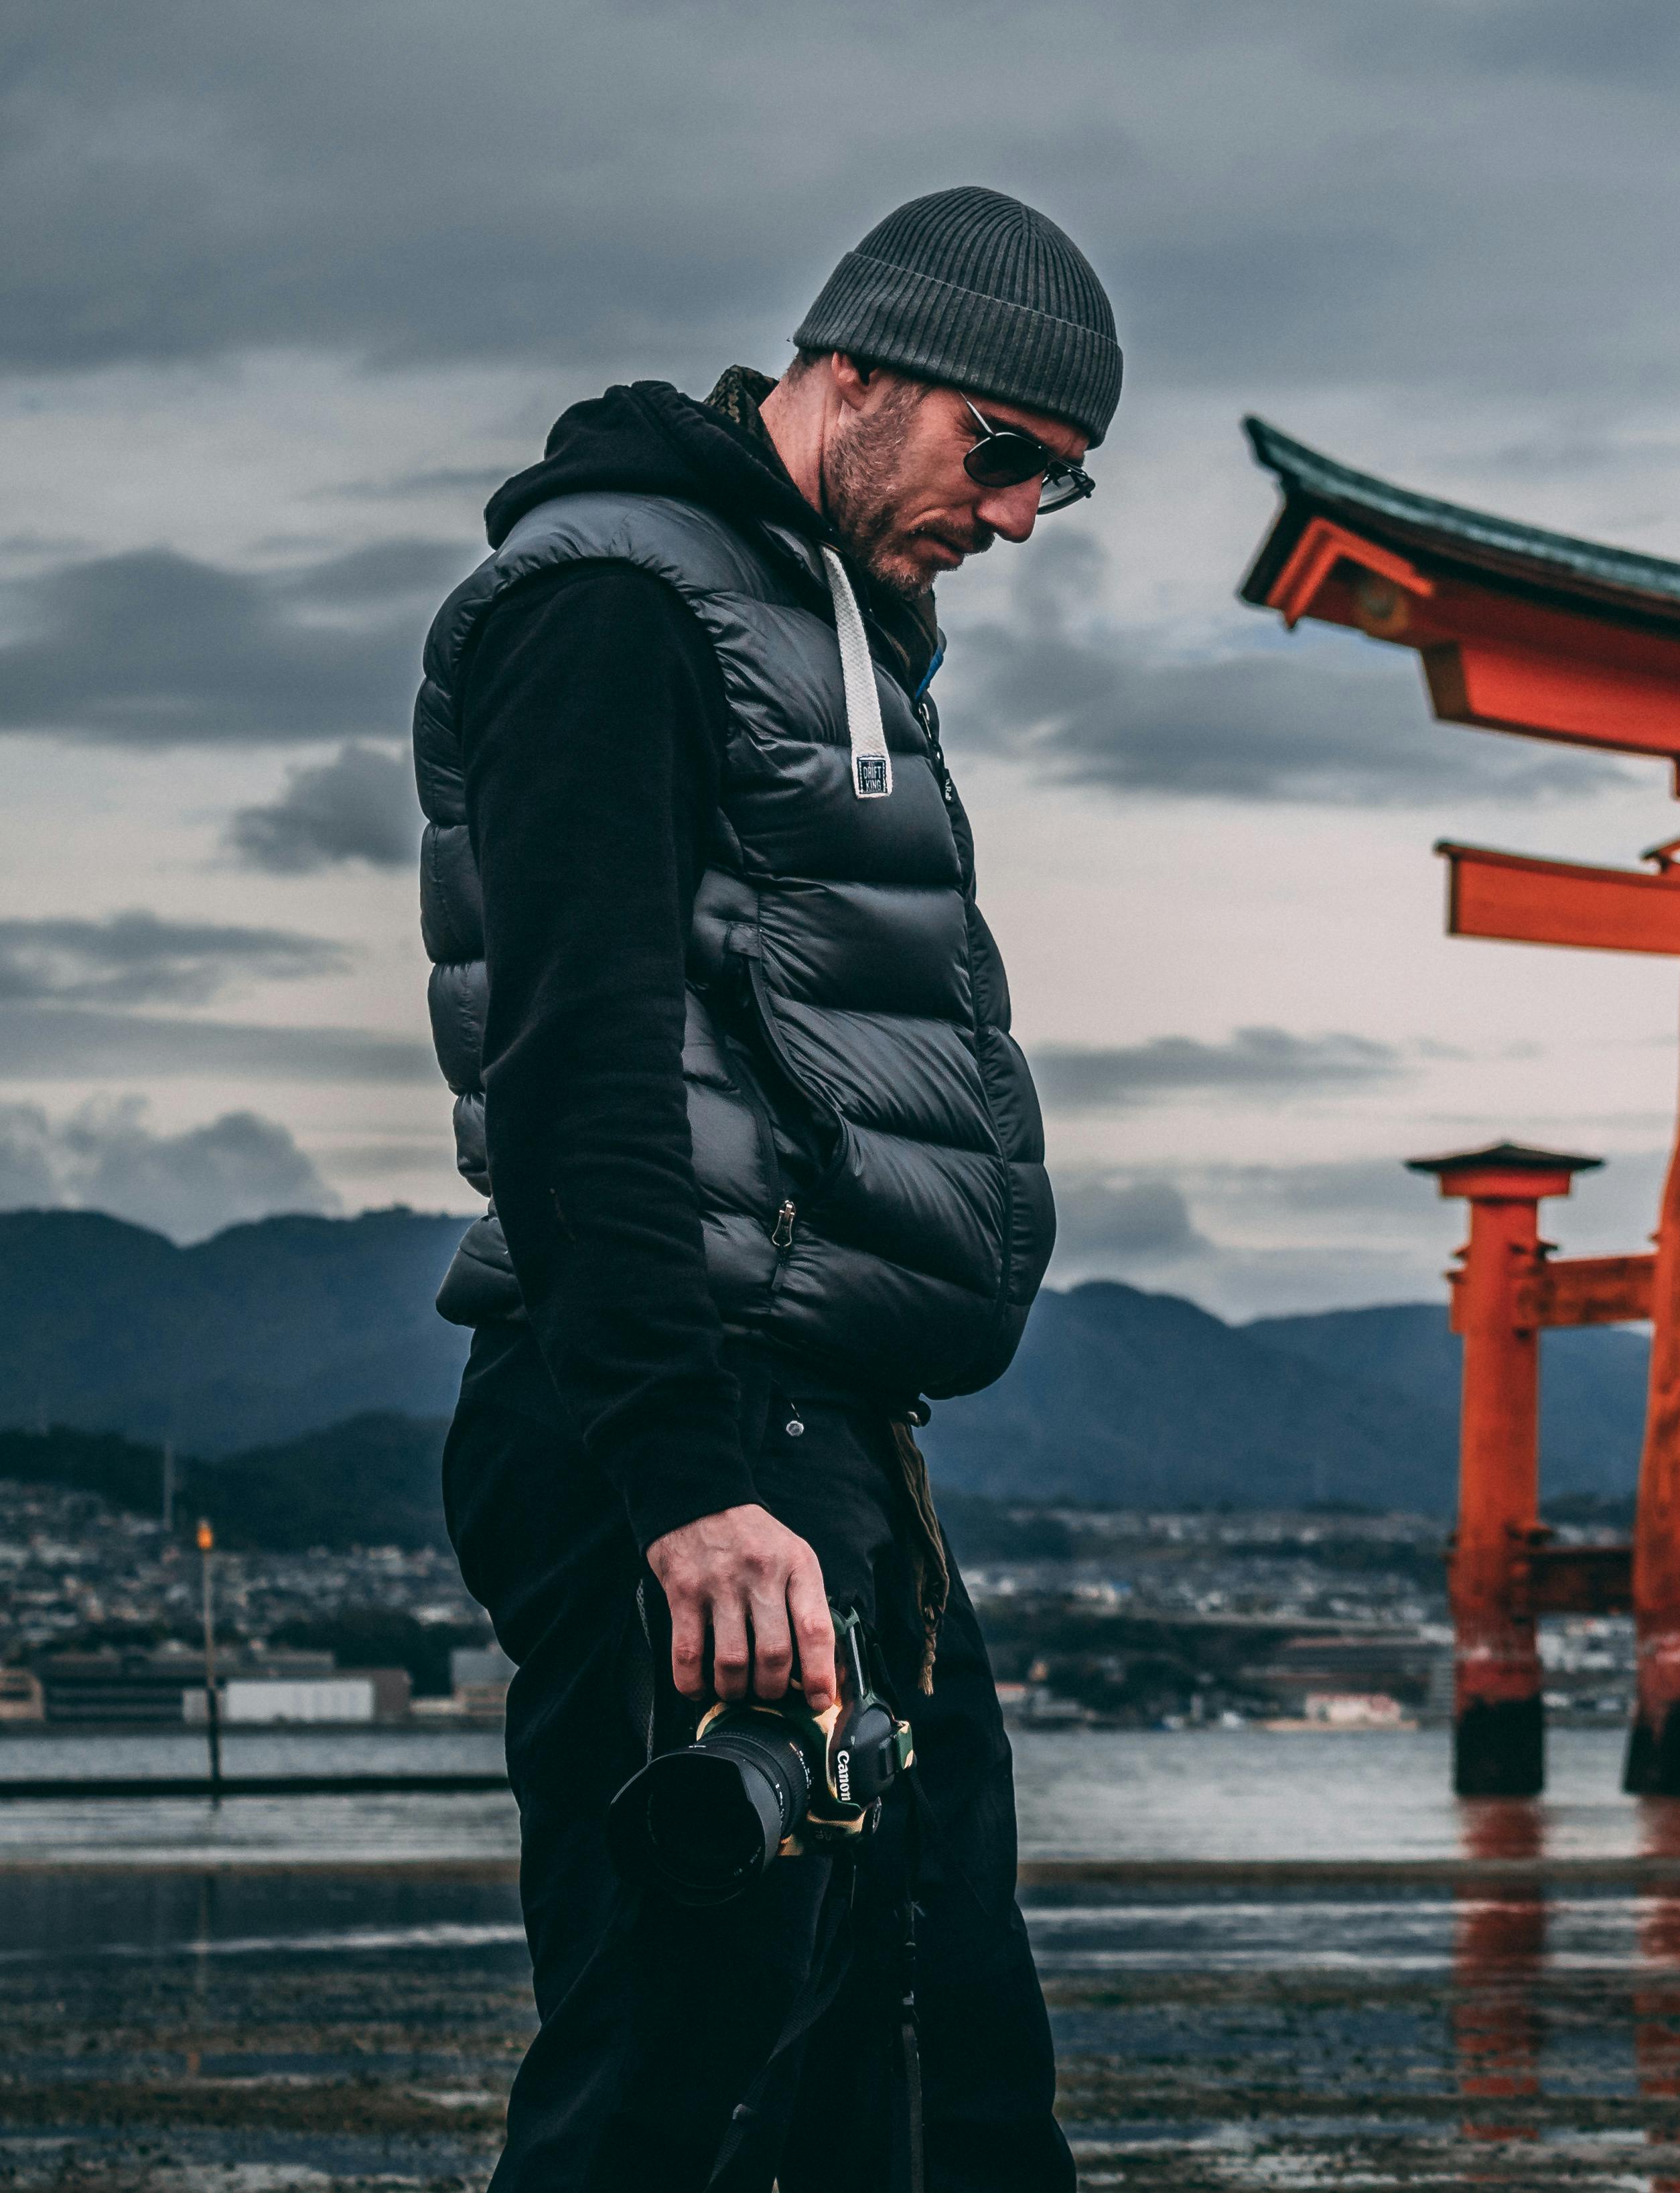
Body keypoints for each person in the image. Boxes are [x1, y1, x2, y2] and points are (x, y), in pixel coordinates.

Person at [417, 186, 1116, 2190]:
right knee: (683, 2071)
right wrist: (684, 1474)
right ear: (857, 369)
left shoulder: (832, 631)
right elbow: (583, 1054)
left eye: (1057, 489)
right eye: (1002, 452)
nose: (1010, 517)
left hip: (837, 1450)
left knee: (941, 2059)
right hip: (694, 1434)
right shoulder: (617, 602)